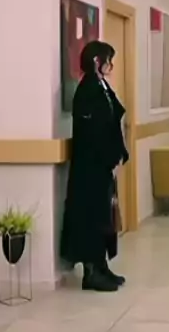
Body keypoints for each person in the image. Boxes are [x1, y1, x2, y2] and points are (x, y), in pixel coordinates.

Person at [60, 41, 129, 292]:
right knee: (92, 218)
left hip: (103, 167)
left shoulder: (101, 86)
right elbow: (94, 134)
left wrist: (119, 155)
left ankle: (102, 266)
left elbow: (113, 121)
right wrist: (109, 159)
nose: (111, 65)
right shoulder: (87, 90)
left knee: (104, 218)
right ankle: (91, 272)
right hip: (91, 169)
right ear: (97, 61)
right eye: (108, 60)